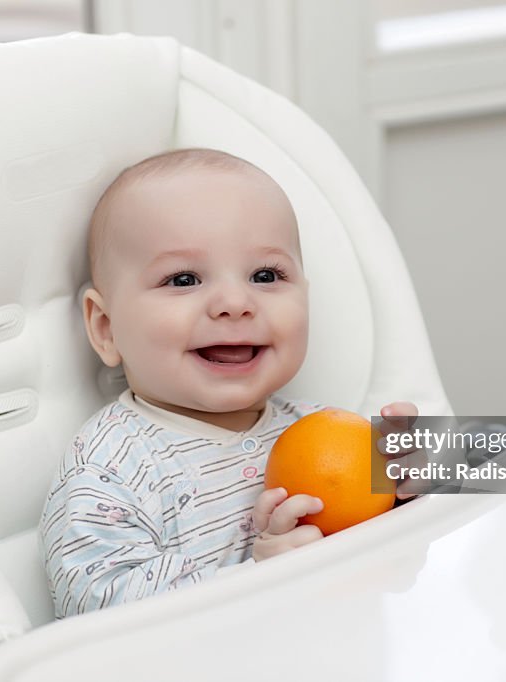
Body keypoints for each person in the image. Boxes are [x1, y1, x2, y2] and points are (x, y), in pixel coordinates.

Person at [39, 148, 416, 617]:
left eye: (265, 275)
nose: (235, 302)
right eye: (182, 279)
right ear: (106, 328)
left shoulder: (326, 430)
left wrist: (412, 497)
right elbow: (93, 607)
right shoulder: (110, 466)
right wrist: (258, 580)